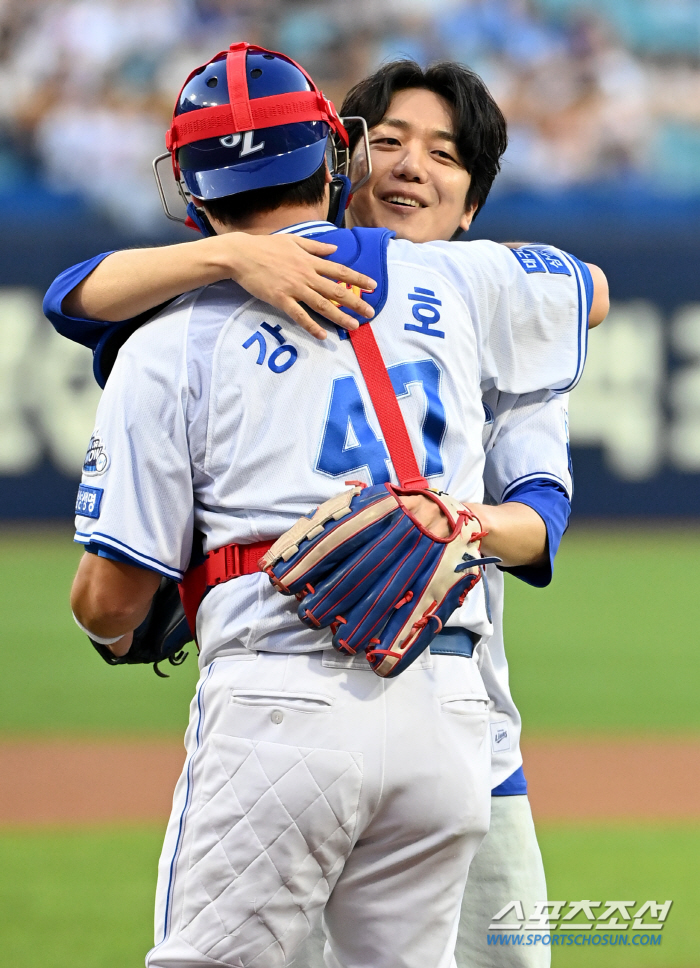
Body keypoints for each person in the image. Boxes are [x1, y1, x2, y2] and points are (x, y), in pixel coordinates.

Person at [50, 53, 608, 968]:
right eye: (387, 141)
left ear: (185, 185)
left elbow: (110, 601)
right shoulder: (469, 288)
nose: (408, 166)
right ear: (338, 155)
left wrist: (133, 626)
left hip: (279, 700)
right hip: (446, 712)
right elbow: (588, 292)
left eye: (442, 153)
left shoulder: (163, 335)